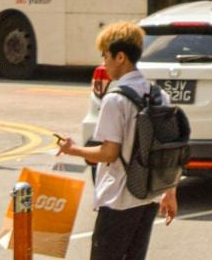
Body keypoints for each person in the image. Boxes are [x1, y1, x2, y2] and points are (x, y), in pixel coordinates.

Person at [54, 21, 176, 260]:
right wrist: (170, 192)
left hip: (118, 198)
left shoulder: (115, 100)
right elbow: (166, 150)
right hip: (147, 196)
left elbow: (110, 153)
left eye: (106, 56)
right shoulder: (159, 95)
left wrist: (72, 149)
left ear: (120, 57)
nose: (104, 63)